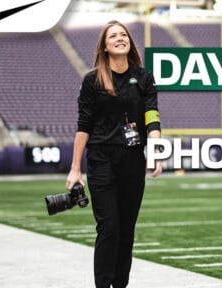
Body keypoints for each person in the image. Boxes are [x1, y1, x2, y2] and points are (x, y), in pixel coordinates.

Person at [66, 20, 162, 288]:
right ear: (105, 47)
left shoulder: (144, 77)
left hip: (132, 160)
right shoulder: (92, 80)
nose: (120, 38)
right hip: (101, 161)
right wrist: (75, 169)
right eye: (113, 36)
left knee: (127, 232)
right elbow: (83, 126)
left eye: (123, 34)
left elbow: (152, 118)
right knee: (109, 228)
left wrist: (155, 153)